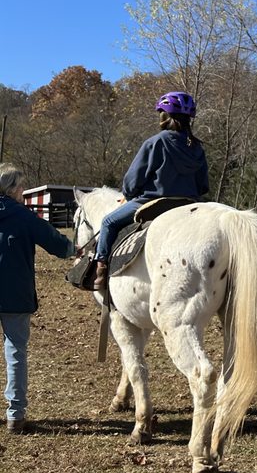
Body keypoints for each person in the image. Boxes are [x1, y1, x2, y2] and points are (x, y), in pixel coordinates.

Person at [91, 91, 210, 290]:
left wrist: (129, 195)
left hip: (153, 203)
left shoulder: (156, 142)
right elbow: (203, 185)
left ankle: (101, 269)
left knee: (108, 222)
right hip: (189, 205)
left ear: (164, 116)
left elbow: (132, 181)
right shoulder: (196, 147)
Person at [0, 163, 77, 433]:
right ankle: (15, 415)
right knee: (15, 351)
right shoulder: (23, 216)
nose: (23, 191)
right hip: (15, 294)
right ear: (13, 189)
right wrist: (73, 249)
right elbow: (57, 244)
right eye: (21, 186)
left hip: (14, 294)